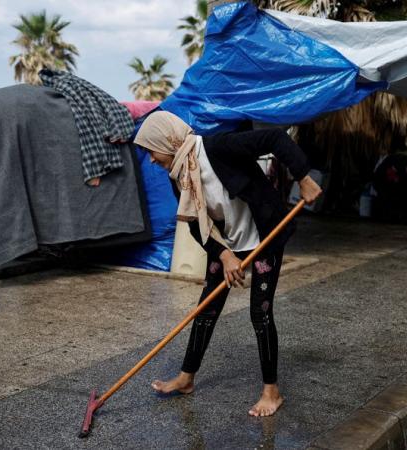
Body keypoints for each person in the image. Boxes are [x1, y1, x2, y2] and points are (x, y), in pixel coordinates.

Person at [133, 111, 322, 417]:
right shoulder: (180, 175)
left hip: (264, 236)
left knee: (259, 312)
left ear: (167, 141)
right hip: (227, 244)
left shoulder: (218, 148)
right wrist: (224, 255)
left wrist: (303, 176)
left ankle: (271, 392)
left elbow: (275, 137)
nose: (152, 160)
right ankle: (186, 378)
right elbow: (197, 225)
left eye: (151, 150)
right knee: (206, 306)